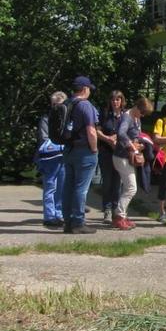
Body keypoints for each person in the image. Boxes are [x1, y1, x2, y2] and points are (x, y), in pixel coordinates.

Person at [61, 76, 100, 234]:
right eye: (89, 88)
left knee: (68, 186)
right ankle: (78, 222)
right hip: (84, 151)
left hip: (69, 149)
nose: (89, 91)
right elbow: (91, 130)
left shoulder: (67, 103)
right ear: (84, 89)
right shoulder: (85, 105)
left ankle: (68, 222)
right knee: (81, 189)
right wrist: (95, 149)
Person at [111, 97, 154, 230]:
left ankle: (122, 215)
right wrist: (131, 145)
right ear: (137, 107)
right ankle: (119, 217)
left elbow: (135, 135)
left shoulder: (136, 118)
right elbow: (121, 133)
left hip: (128, 158)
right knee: (131, 188)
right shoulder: (127, 117)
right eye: (142, 113)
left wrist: (140, 144)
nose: (142, 116)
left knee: (127, 187)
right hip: (121, 157)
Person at [34, 91, 67, 228]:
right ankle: (49, 216)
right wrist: (62, 145)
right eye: (54, 104)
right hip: (50, 158)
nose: (56, 107)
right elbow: (45, 140)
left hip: (63, 157)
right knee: (50, 187)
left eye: (59, 104)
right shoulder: (46, 119)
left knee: (61, 187)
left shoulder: (66, 119)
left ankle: (58, 214)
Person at [96, 90, 125, 223]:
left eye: (118, 100)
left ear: (121, 101)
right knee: (107, 181)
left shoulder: (125, 115)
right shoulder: (104, 114)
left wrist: (118, 138)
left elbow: (131, 131)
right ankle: (107, 210)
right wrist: (108, 139)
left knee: (117, 182)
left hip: (120, 153)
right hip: (106, 152)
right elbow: (97, 130)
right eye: (113, 100)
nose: (115, 102)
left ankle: (115, 209)